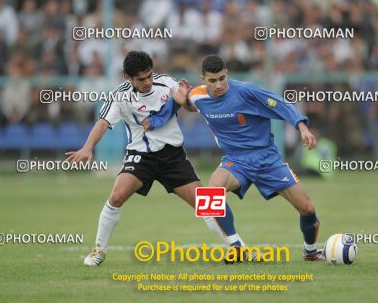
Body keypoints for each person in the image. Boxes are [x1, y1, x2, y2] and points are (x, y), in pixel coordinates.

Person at [66, 51, 251, 266]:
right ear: (128, 77)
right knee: (117, 196)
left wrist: (186, 102)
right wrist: (88, 147)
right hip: (141, 156)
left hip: (173, 156)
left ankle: (239, 247)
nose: (147, 82)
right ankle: (99, 251)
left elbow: (190, 106)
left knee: (206, 203)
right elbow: (103, 122)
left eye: (149, 76)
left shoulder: (167, 83)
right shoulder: (120, 96)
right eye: (141, 79)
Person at [145, 55, 325, 261]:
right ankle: (237, 248)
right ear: (203, 79)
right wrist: (169, 111)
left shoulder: (247, 91)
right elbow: (189, 103)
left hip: (267, 158)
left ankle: (310, 252)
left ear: (227, 73)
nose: (219, 84)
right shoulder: (197, 95)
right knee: (210, 196)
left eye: (222, 78)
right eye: (212, 80)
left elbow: (280, 104)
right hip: (236, 160)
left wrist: (302, 128)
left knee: (307, 208)